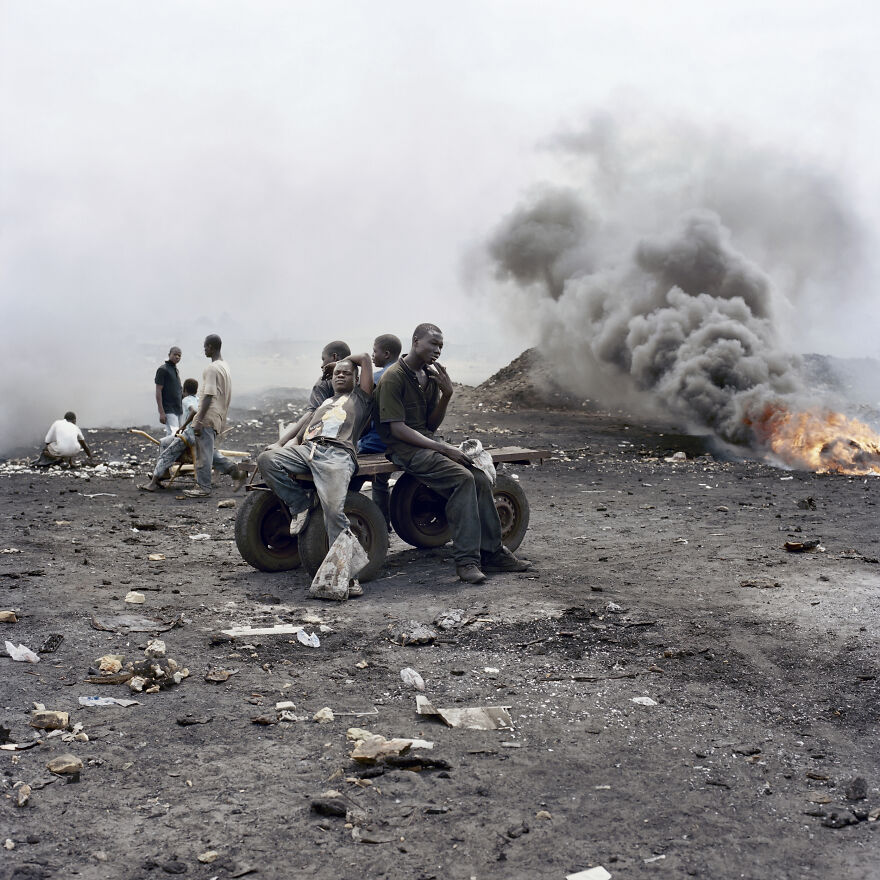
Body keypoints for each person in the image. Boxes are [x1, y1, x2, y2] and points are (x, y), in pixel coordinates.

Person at [375, 323, 529, 584]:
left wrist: (447, 395)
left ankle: (492, 553)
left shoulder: (430, 377)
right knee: (463, 479)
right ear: (415, 342)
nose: (438, 351)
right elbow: (397, 429)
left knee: (479, 477)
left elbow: (430, 426)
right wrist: (444, 448)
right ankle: (466, 561)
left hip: (427, 442)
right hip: (403, 449)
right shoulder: (394, 377)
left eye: (441, 347)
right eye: (433, 344)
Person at [257, 353, 373, 553]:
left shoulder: (361, 398)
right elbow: (302, 433)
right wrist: (282, 445)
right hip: (309, 449)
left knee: (334, 512)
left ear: (356, 379)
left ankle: (343, 568)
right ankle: (301, 503)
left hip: (338, 454)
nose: (340, 376)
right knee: (266, 460)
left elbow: (364, 358)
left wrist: (337, 363)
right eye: (337, 373)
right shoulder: (325, 402)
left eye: (346, 373)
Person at [140, 334, 247, 496]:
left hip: (206, 419)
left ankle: (202, 488)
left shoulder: (212, 369)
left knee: (198, 453)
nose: (204, 349)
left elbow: (209, 395)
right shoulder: (224, 366)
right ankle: (237, 473)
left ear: (210, 347)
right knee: (208, 453)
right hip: (215, 417)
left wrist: (199, 420)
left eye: (205, 346)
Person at [356, 333, 402, 526]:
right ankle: (383, 523)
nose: (373, 356)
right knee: (381, 482)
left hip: (375, 444)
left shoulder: (377, 377)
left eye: (375, 351)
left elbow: (362, 412)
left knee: (349, 481)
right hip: (398, 442)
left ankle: (375, 524)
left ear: (386, 353)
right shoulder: (404, 373)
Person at [155, 347, 183, 436]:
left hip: (178, 409)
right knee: (174, 435)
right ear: (169, 355)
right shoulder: (163, 370)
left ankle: (165, 449)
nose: (177, 357)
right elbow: (158, 391)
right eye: (175, 354)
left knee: (177, 435)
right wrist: (161, 412)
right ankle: (165, 449)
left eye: (179, 355)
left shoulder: (175, 370)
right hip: (169, 409)